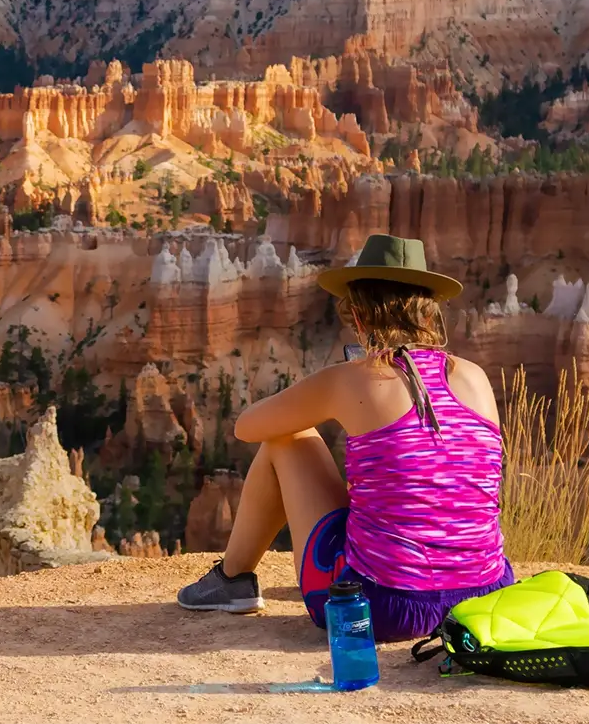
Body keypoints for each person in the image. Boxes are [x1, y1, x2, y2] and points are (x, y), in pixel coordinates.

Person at [176, 234, 513, 643]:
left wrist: (325, 392)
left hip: (382, 608)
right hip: (486, 599)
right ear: (428, 313)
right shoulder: (475, 377)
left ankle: (233, 580)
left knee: (288, 437)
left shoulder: (351, 378)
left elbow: (246, 426)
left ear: (358, 315)